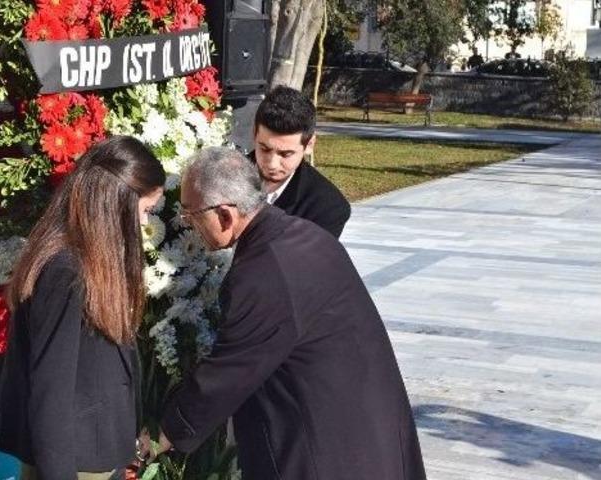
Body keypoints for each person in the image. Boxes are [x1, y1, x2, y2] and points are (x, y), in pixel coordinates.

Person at [156, 147, 426, 480]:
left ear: (225, 215)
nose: (190, 225)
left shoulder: (264, 273)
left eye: (191, 214)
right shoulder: (305, 235)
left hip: (325, 449)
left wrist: (163, 434)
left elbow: (229, 372)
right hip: (366, 430)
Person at [0, 136, 165, 480]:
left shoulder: (90, 262)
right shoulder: (65, 271)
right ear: (115, 202)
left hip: (97, 454)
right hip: (75, 463)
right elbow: (50, 387)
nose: (145, 224)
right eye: (144, 211)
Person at [250, 86, 351, 238]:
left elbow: (308, 261)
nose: (272, 164)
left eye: (286, 154)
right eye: (264, 149)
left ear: (309, 145)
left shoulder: (327, 207)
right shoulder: (224, 175)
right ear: (254, 134)